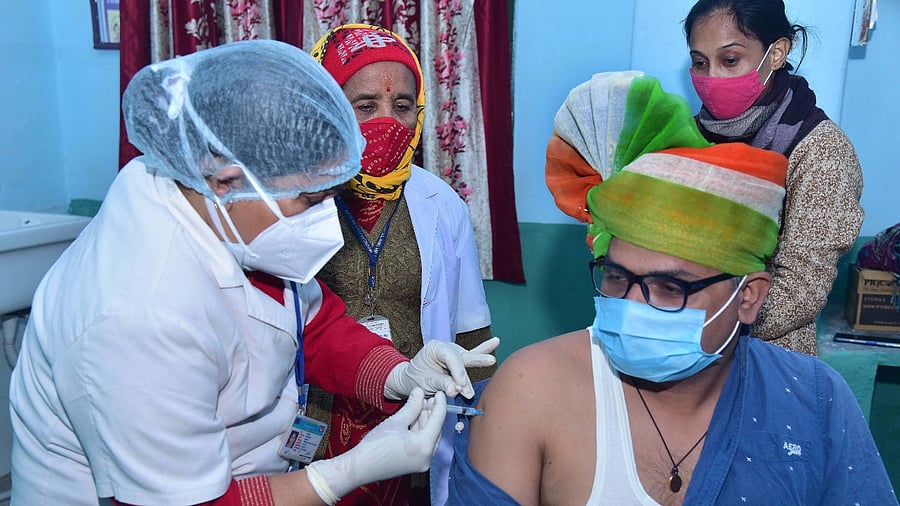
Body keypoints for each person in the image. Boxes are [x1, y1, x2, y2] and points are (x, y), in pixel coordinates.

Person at [9, 39, 500, 505]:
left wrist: (396, 374)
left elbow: (313, 321)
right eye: (310, 199)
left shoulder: (223, 212)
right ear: (226, 180)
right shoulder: (135, 313)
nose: (325, 217)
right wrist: (345, 473)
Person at [448, 72, 896, 505]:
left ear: (749, 297)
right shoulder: (533, 389)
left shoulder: (811, 402)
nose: (632, 305)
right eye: (617, 277)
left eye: (670, 287)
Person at [306, 24, 496, 505]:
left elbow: (469, 329)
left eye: (403, 105)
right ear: (327, 109)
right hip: (312, 427)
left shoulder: (441, 204)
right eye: (365, 106)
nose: (387, 121)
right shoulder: (299, 200)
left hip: (413, 413)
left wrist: (478, 443)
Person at [683, 0, 864, 355]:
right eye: (700, 62)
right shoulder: (688, 138)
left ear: (777, 52)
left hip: (764, 357)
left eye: (730, 60)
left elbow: (800, 288)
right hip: (678, 346)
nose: (712, 77)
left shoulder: (820, 149)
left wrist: (699, 328)